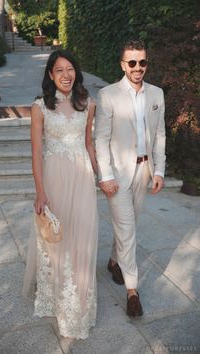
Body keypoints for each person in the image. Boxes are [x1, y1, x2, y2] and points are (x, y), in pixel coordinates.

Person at [22, 50, 98, 339]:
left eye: (70, 69)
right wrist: (40, 192)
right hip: (53, 177)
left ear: (76, 72)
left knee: (82, 235)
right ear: (51, 75)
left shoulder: (88, 104)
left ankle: (79, 301)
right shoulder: (40, 107)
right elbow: (37, 151)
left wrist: (100, 176)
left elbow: (89, 144)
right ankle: (55, 296)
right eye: (59, 70)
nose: (66, 75)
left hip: (81, 178)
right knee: (56, 237)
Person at [95, 39, 166, 317]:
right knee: (127, 230)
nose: (138, 68)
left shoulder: (157, 94)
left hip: (144, 171)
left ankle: (114, 261)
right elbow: (101, 138)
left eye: (142, 62)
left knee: (129, 224)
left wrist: (158, 170)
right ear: (123, 65)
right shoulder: (108, 94)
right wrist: (106, 175)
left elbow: (159, 135)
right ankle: (132, 292)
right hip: (118, 175)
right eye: (132, 62)